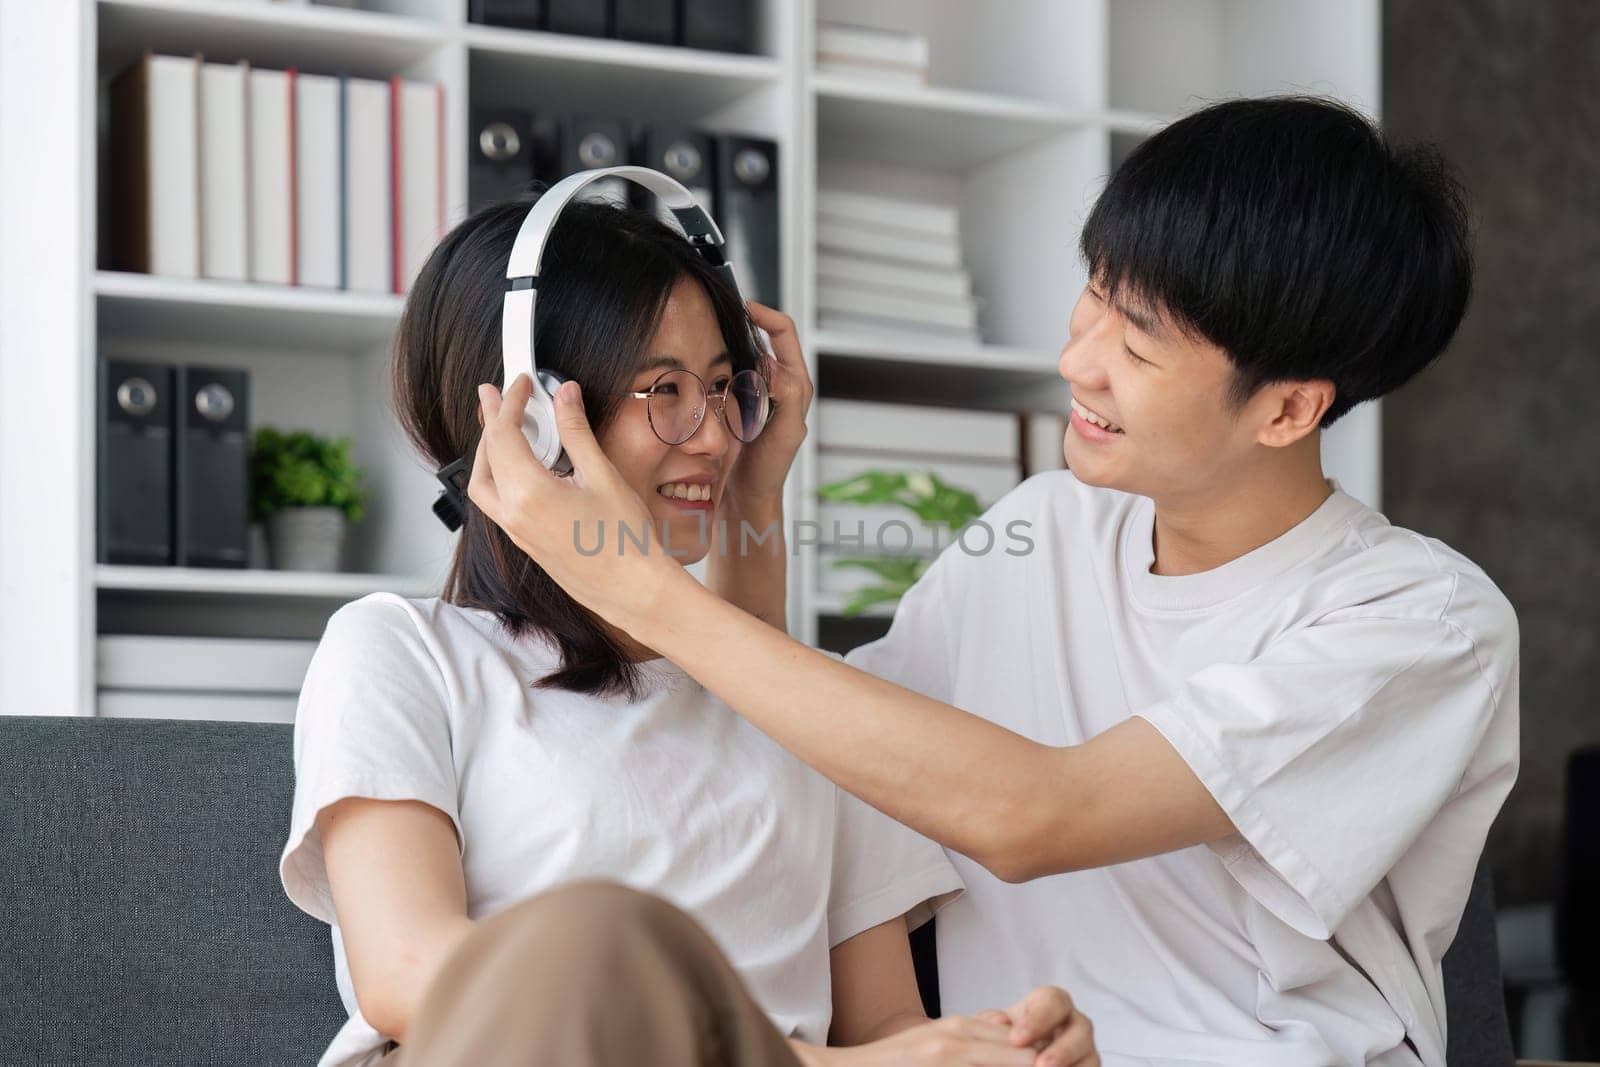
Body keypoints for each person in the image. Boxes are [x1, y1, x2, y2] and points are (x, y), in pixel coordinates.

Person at [465, 96, 1521, 1066]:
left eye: (1137, 345)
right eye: (1095, 294)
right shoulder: (1044, 525)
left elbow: (1035, 815)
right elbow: (806, 735)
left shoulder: (1420, 622)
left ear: (1287, 410)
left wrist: (628, 577)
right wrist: (749, 495)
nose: (1077, 360)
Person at [277, 197, 1097, 1067]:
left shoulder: (808, 706)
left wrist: (997, 1047)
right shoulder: (401, 650)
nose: (711, 435)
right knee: (595, 934)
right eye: (664, 390)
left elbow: (885, 1025)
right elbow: (412, 976)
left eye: (721, 388)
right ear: (525, 417)